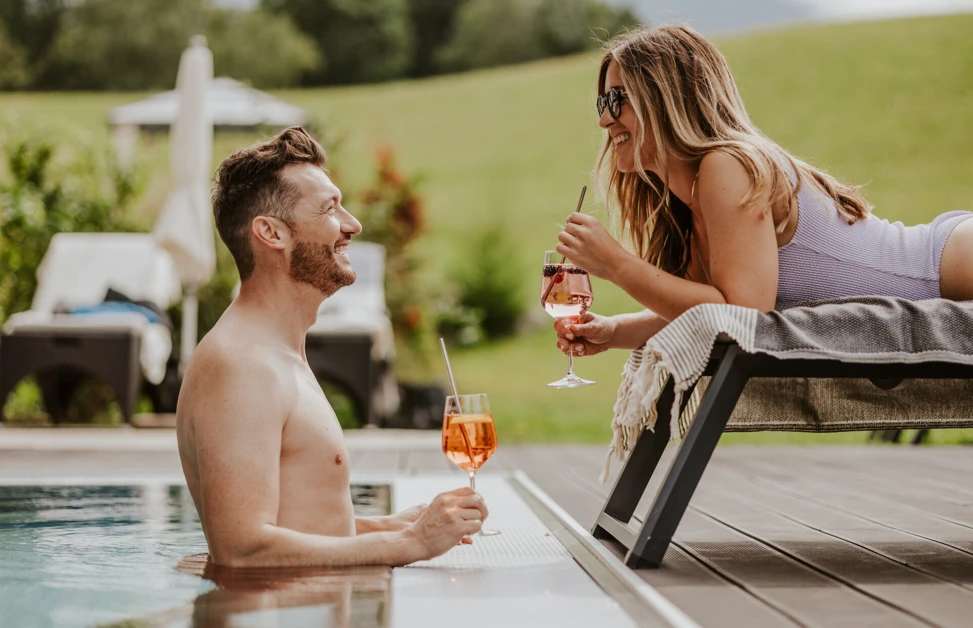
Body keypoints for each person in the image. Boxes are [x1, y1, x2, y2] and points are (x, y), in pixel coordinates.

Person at [554, 25, 973, 358]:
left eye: (618, 99)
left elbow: (744, 315)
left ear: (667, 98)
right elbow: (704, 309)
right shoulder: (692, 198)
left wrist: (617, 265)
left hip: (949, 265)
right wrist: (612, 332)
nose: (604, 121)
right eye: (601, 103)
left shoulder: (726, 166)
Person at [176, 127, 487, 568]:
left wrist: (396, 524)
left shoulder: (276, 352)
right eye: (329, 209)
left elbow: (300, 525)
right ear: (271, 233)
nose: (352, 224)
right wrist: (411, 544)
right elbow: (242, 548)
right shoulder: (240, 364)